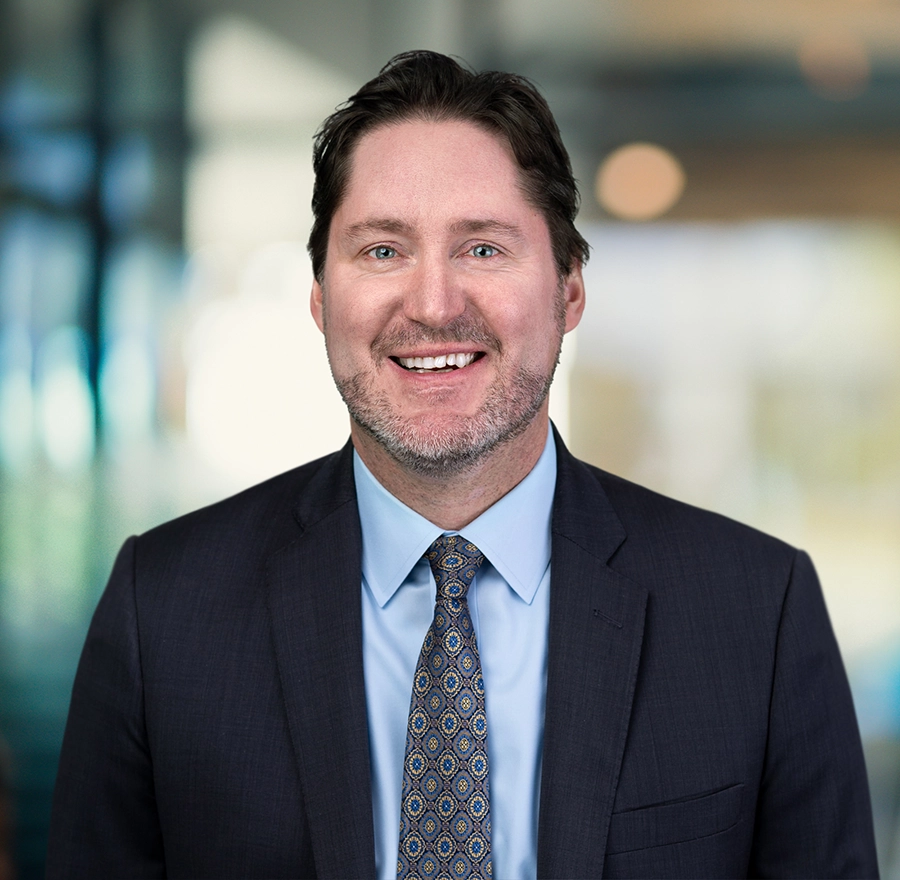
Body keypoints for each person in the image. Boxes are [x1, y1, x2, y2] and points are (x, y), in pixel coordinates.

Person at [47, 50, 878, 879]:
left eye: (482, 248)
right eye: (381, 251)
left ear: (570, 290)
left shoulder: (756, 614)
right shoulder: (161, 611)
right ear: (318, 296)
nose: (435, 303)